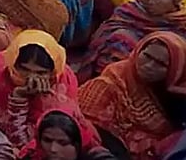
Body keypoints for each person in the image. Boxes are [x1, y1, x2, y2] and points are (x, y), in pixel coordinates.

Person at [0, 30, 95, 150]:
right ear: (13, 65)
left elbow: (26, 145)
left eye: (41, 73)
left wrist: (19, 101)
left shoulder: (61, 83)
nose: (32, 78)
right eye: (24, 70)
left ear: (52, 73)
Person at [79, 31, 186, 160]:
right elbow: (89, 132)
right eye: (147, 56)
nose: (149, 65)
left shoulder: (176, 93)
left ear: (175, 69)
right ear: (138, 51)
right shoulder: (109, 84)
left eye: (161, 64)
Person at [82, 0, 186, 80]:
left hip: (159, 78)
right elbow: (104, 35)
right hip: (113, 71)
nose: (150, 1)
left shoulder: (181, 23)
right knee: (121, 37)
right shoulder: (129, 10)